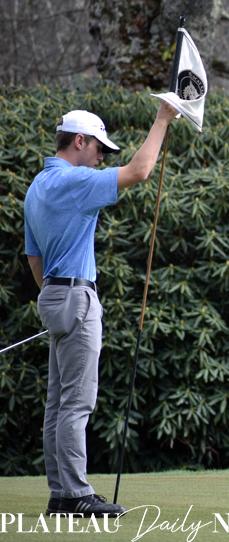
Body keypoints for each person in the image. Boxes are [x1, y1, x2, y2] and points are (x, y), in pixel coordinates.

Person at [24, 101, 178, 517]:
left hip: (53, 295)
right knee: (77, 404)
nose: (101, 159)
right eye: (98, 149)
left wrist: (55, 301)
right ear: (79, 141)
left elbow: (35, 258)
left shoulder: (38, 186)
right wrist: (162, 119)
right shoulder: (74, 180)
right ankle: (76, 494)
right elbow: (139, 171)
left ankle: (61, 493)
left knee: (58, 404)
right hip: (76, 297)